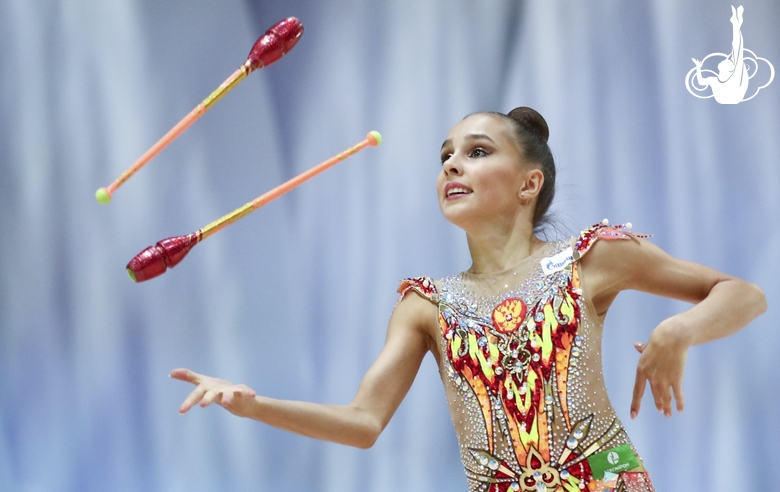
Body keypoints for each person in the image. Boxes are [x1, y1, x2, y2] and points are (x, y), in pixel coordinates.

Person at [171, 107, 766, 492]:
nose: (453, 162)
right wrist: (253, 406)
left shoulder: (591, 258)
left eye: (478, 151)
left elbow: (744, 294)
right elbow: (362, 422)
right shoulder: (427, 305)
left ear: (529, 184)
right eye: (446, 156)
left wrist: (679, 331)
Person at [692, 5, 749, 104]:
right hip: (728, 97)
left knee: (737, 50)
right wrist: (698, 67)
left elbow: (738, 49)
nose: (725, 59)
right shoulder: (715, 80)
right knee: (736, 51)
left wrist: (736, 26)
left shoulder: (734, 78)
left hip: (733, 95)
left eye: (728, 61)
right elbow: (701, 82)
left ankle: (736, 23)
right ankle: (736, 23)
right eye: (728, 61)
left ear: (729, 69)